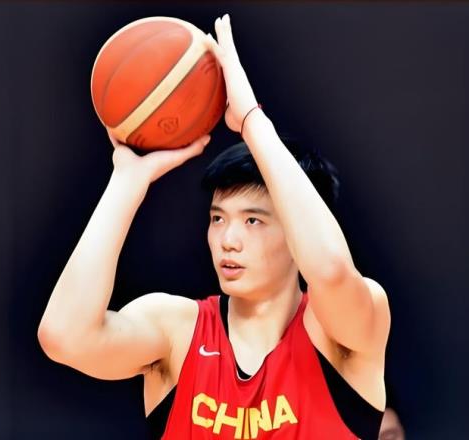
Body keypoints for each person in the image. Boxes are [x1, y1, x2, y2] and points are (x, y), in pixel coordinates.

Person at [38, 14, 390, 439]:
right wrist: (127, 181)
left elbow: (330, 270)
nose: (228, 240)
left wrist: (251, 121)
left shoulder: (340, 333)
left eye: (253, 220)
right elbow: (64, 336)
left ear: (296, 234)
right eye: (218, 218)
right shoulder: (177, 331)